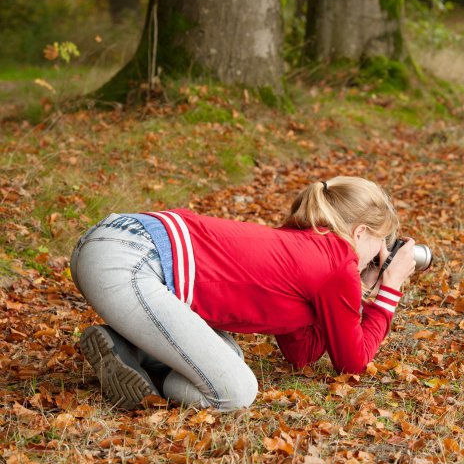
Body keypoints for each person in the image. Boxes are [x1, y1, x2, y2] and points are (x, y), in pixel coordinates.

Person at [69, 176, 418, 411]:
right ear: (359, 234)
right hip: (129, 260)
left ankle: (128, 350)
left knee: (230, 353)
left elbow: (302, 353)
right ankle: (148, 377)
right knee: (234, 391)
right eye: (379, 244)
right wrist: (389, 289)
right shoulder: (337, 261)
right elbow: (352, 363)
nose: (379, 256)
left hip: (114, 241)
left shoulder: (307, 253)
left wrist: (358, 292)